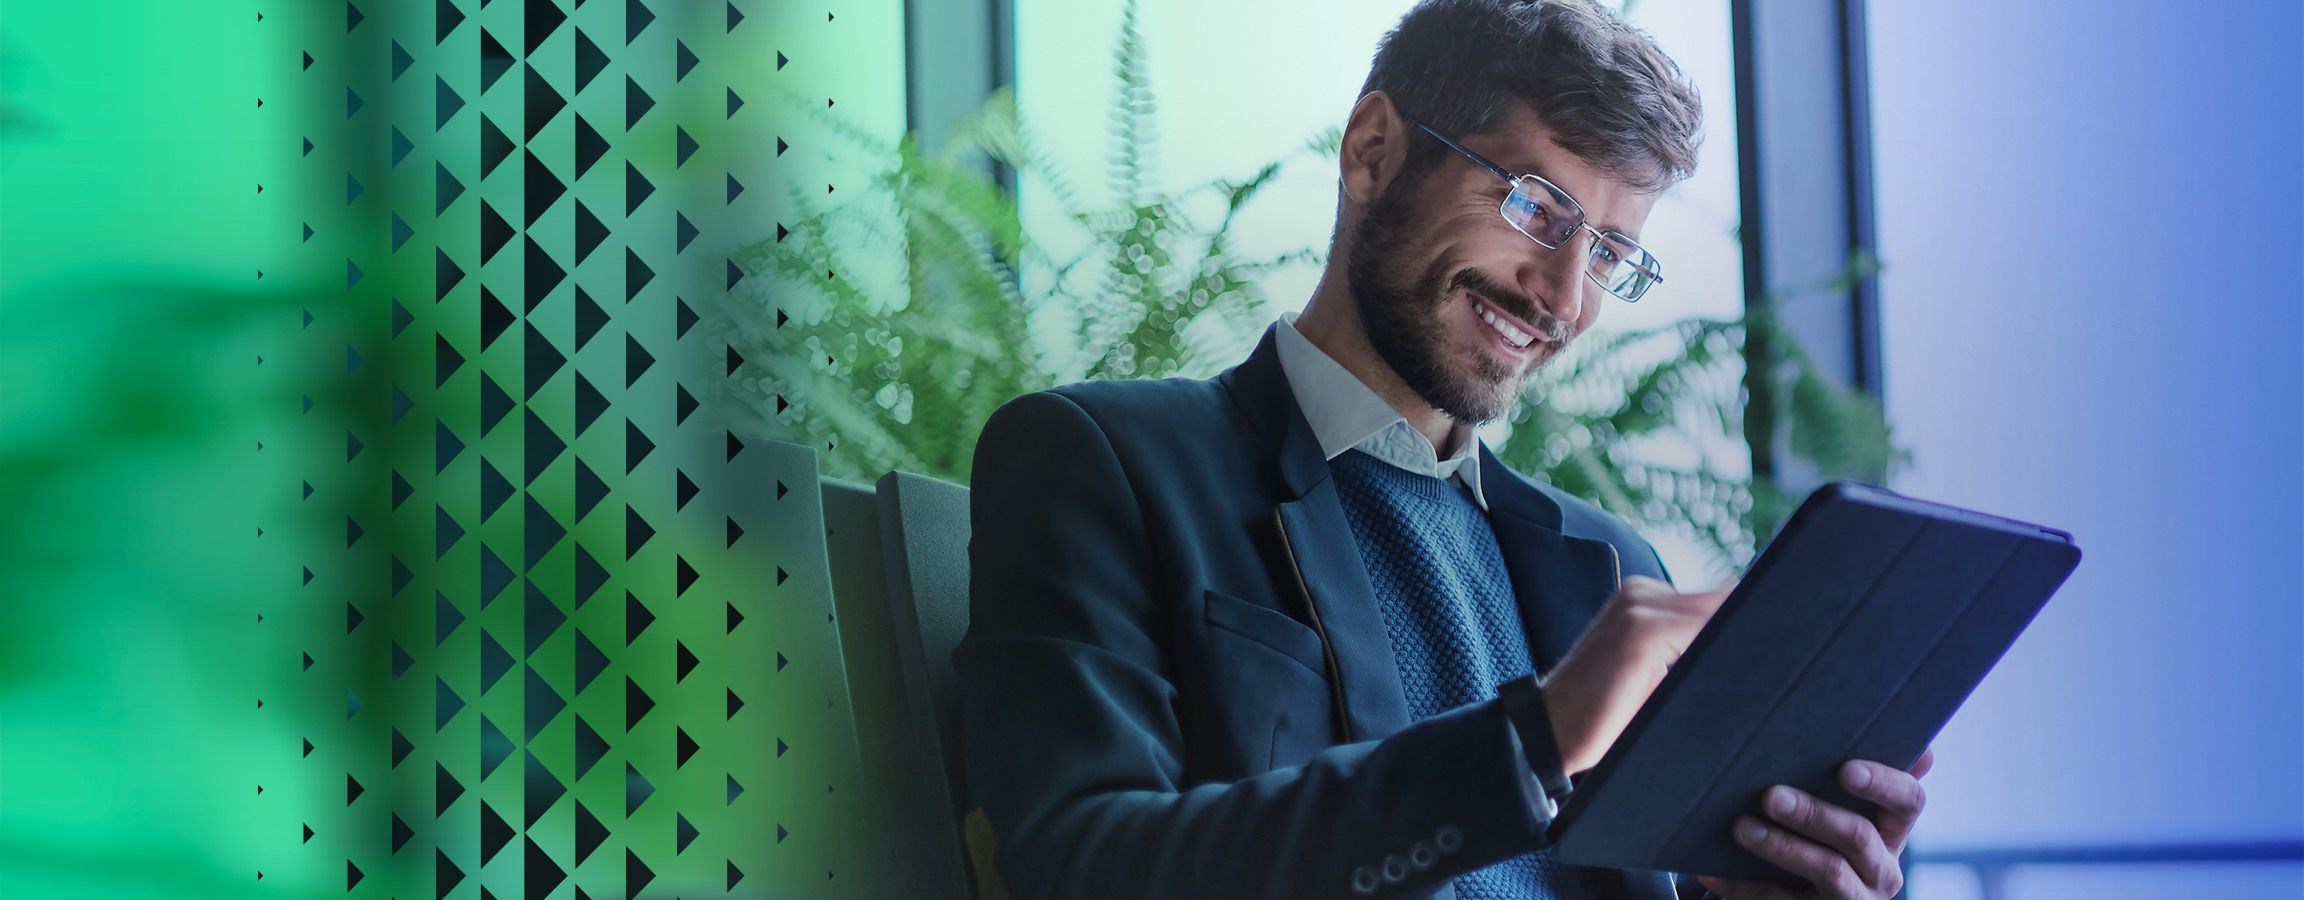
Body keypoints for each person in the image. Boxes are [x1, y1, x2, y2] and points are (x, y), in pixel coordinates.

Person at [953, 1, 1931, 898]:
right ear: (1374, 151)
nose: (1564, 295)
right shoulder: (1108, 464)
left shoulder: (1610, 570)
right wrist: (1534, 738)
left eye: (1610, 254)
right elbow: (1079, 866)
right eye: (1537, 208)